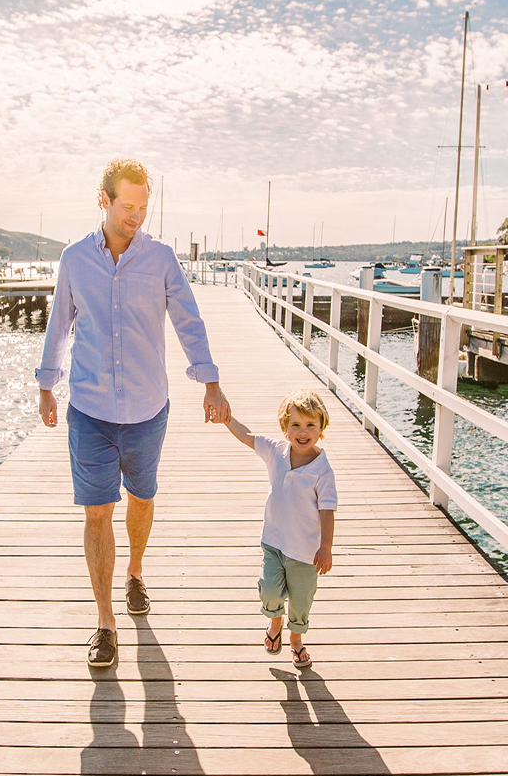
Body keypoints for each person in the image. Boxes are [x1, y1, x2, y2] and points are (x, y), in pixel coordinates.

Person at [36, 158, 230, 668]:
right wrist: (45, 386)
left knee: (141, 499)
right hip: (90, 408)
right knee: (97, 513)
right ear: (104, 200)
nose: (136, 217)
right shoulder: (75, 259)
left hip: (148, 407)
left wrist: (210, 382)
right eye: (127, 207)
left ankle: (136, 571)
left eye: (143, 208)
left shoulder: (161, 259)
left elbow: (189, 321)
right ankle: (105, 622)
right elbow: (59, 325)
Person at [223, 387, 337, 669]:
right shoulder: (276, 451)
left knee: (300, 602)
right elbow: (247, 436)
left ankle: (296, 641)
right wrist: (227, 419)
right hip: (274, 542)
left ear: (321, 427)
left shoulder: (322, 470)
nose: (303, 432)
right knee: (270, 591)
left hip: (306, 553)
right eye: (296, 424)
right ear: (285, 427)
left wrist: (326, 548)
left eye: (311, 425)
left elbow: (327, 510)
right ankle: (275, 622)